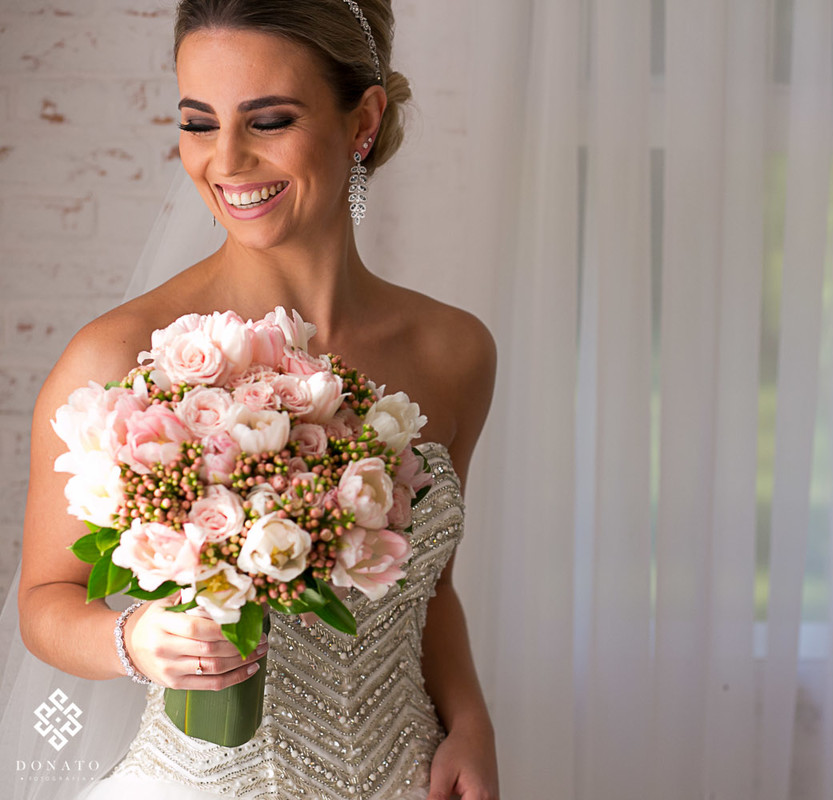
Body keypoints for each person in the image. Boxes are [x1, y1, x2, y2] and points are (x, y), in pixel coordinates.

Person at [12, 1, 500, 799]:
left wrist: (471, 723)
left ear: (363, 121)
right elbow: (44, 602)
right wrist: (135, 639)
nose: (227, 160)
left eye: (268, 120)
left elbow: (427, 585)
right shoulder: (116, 356)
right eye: (199, 123)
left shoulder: (453, 352)